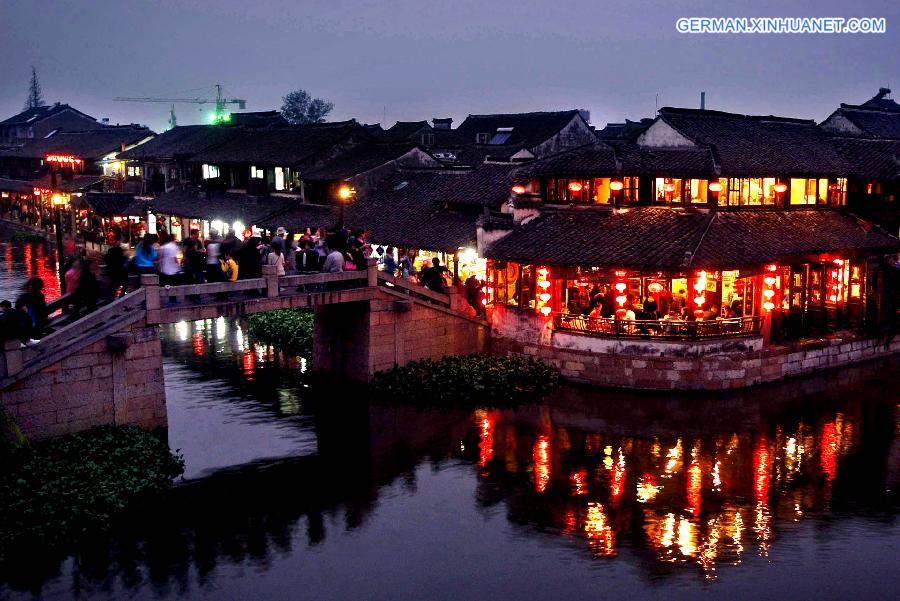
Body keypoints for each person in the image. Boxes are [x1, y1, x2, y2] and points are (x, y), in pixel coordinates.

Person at [103, 235, 129, 300]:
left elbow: (106, 259)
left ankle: (110, 297)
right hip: (119, 270)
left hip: (112, 270)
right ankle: (121, 295)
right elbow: (122, 260)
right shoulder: (119, 250)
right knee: (124, 283)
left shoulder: (110, 250)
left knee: (112, 284)